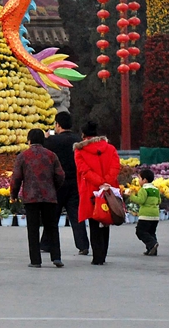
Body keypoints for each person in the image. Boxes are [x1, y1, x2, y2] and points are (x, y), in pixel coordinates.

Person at [11, 128, 65, 268]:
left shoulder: (23, 156)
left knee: (33, 229)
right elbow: (60, 175)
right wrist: (54, 188)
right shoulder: (51, 155)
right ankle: (56, 257)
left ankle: (35, 260)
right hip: (49, 196)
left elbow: (16, 178)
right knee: (52, 227)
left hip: (31, 197)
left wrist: (13, 195)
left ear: (29, 140)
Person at [42, 112, 90, 255]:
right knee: (76, 215)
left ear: (58, 124)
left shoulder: (52, 141)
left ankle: (46, 244)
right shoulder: (78, 140)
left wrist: (46, 139)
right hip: (75, 182)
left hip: (57, 183)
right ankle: (83, 245)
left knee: (53, 216)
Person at [73, 121, 120, 266]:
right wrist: (106, 182)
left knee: (94, 222)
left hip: (90, 190)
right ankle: (103, 254)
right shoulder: (110, 148)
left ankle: (97, 256)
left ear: (83, 134)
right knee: (106, 219)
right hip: (108, 190)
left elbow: (84, 170)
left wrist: (99, 183)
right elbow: (115, 166)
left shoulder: (80, 151)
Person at [128, 168, 160, 257]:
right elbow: (159, 201)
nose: (138, 180)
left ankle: (152, 244)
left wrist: (132, 196)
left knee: (140, 231)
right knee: (151, 232)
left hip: (146, 215)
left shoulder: (143, 189)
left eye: (139, 178)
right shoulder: (156, 190)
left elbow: (141, 200)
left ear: (144, 180)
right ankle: (151, 249)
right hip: (155, 215)